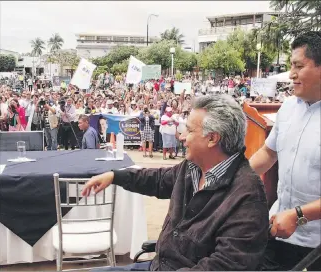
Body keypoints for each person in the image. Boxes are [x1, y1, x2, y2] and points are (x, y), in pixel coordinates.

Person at [83, 94, 269, 271]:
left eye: (189, 130)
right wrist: (115, 176)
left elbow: (226, 265)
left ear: (212, 138)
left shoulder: (247, 195)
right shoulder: (191, 168)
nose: (181, 137)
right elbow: (157, 180)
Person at [249, 31, 321, 271]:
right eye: (291, 66)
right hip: (279, 230)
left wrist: (298, 215)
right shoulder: (288, 107)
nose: (291, 74)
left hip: (316, 244)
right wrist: (233, 176)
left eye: (299, 66)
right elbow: (269, 153)